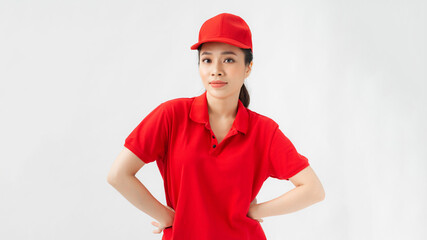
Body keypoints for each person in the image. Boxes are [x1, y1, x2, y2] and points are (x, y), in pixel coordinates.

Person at [107, 12, 325, 240]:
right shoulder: (172, 116)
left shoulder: (263, 131)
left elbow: (313, 189)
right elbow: (118, 175)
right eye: (207, 59)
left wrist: (256, 211)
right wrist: (166, 216)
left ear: (248, 67)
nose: (216, 69)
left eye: (229, 59)